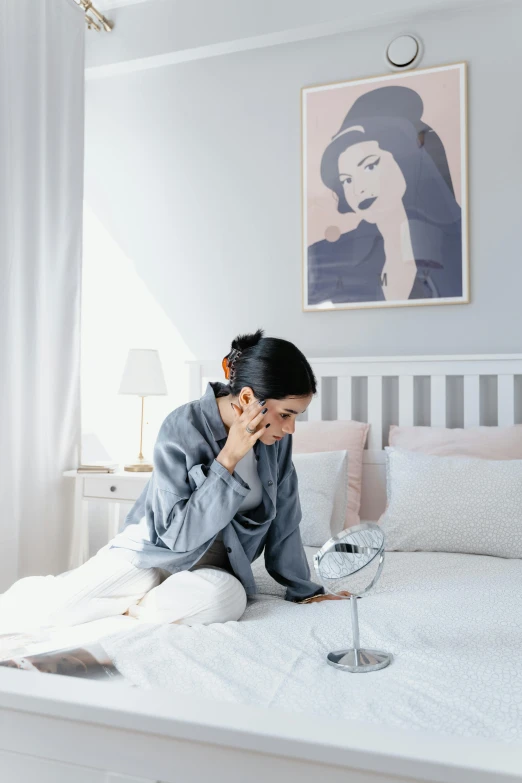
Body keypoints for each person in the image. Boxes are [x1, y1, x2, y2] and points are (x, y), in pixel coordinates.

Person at [0, 329, 347, 633]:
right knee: (57, 611)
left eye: (295, 417)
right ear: (246, 399)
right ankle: (77, 595)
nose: (289, 429)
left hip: (214, 570)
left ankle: (133, 606)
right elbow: (176, 537)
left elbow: (285, 521)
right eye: (285, 415)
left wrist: (306, 591)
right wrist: (228, 458)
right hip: (153, 554)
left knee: (227, 600)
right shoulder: (182, 428)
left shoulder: (276, 445)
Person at [308, 85, 463, 305]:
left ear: (405, 164)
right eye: (347, 180)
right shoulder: (324, 257)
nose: (358, 189)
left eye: (370, 167)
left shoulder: (460, 243)